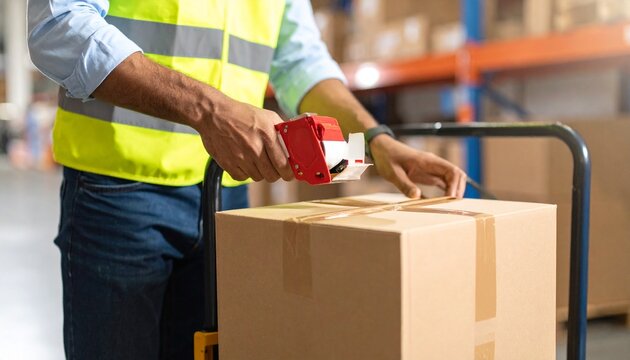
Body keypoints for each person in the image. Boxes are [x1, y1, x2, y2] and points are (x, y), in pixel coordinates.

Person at [28, 0, 467, 359]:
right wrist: (210, 111)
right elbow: (60, 26)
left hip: (224, 198)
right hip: (118, 193)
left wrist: (374, 137)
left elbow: (301, 61)